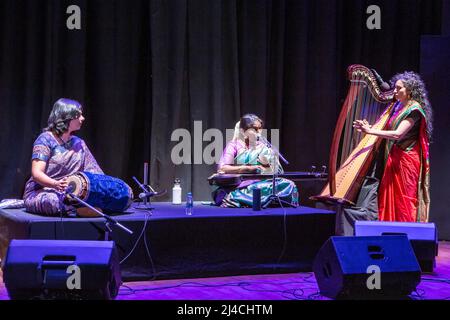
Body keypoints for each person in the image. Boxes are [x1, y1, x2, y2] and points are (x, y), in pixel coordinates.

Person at [353, 71, 432, 222]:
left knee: (403, 199)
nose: (394, 91)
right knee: (391, 197)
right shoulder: (399, 107)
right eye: (395, 88)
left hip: (406, 160)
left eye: (399, 88)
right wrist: (371, 127)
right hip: (396, 157)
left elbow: (397, 134)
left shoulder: (414, 110)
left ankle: (406, 233)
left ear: (410, 91)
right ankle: (389, 231)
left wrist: (370, 131)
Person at [23, 98, 103, 215]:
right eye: (78, 115)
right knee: (52, 201)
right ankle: (77, 211)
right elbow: (36, 173)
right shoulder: (45, 139)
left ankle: (82, 208)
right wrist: (55, 184)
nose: (82, 118)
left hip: (72, 193)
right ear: (67, 117)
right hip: (41, 192)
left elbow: (95, 171)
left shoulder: (79, 143)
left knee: (101, 196)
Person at [213, 114, 297, 207]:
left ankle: (262, 201)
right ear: (243, 131)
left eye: (260, 128)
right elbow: (222, 168)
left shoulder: (263, 146)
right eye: (254, 129)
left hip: (263, 182)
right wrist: (249, 169)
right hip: (240, 185)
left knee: (289, 185)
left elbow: (278, 170)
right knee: (257, 189)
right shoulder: (234, 145)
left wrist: (268, 165)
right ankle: (233, 198)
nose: (258, 132)